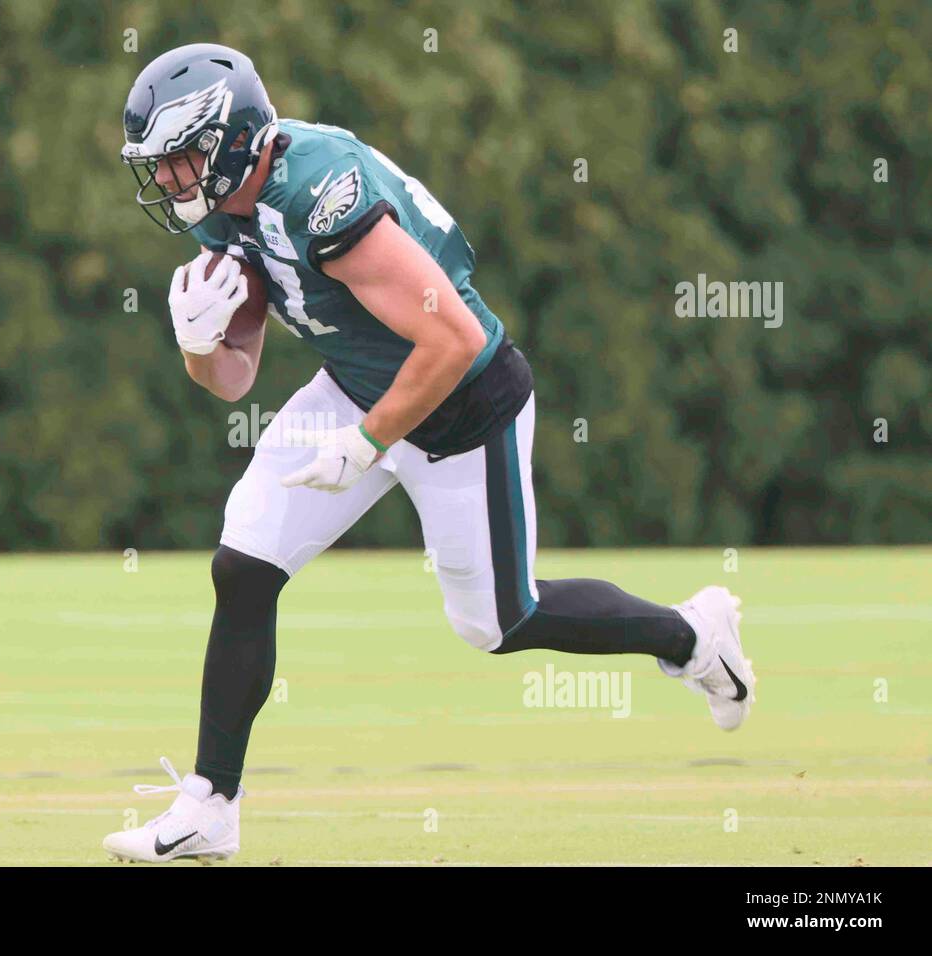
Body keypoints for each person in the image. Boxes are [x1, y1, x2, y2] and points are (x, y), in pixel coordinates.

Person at [103, 43, 754, 863]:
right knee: (245, 563)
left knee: (497, 620)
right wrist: (198, 342)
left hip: (459, 410)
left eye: (180, 159)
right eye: (159, 167)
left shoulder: (318, 193)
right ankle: (210, 806)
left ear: (233, 138)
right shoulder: (231, 202)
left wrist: (368, 442)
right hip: (357, 390)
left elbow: (455, 336)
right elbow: (233, 378)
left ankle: (692, 636)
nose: (169, 182)